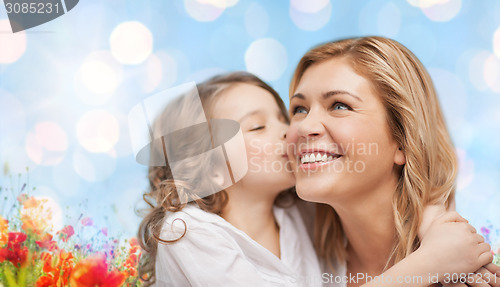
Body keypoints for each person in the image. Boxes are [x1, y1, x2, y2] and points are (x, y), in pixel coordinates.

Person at [137, 71, 495, 287]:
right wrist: (431, 263)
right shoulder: (187, 232)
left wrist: (435, 225)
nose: (292, 132)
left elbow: (388, 192)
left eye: (285, 117)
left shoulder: (298, 213)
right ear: (209, 167)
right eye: (258, 126)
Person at [286, 36, 500, 286]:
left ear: (403, 140)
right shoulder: (291, 257)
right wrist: (428, 263)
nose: (305, 126)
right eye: (299, 109)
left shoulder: (480, 268)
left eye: (340, 105)